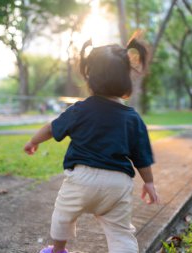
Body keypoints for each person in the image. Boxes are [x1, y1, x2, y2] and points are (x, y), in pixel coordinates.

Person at [24, 34, 160, 253]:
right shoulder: (133, 118)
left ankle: (58, 250)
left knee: (63, 214)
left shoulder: (79, 110)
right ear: (126, 80)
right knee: (121, 232)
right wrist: (150, 183)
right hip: (118, 184)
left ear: (90, 78)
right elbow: (141, 156)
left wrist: (33, 141)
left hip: (82, 181)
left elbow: (51, 128)